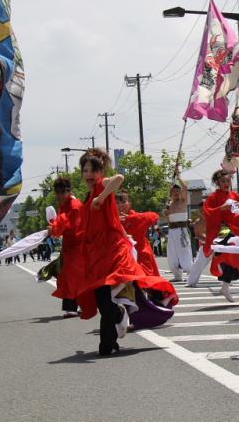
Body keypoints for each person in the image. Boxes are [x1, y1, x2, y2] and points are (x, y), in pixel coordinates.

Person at [72, 148, 178, 356]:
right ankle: (115, 328)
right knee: (103, 301)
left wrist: (102, 197)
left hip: (113, 252)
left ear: (101, 172)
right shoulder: (88, 196)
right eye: (84, 171)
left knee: (106, 297)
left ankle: (107, 342)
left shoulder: (102, 186)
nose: (88, 175)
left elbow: (119, 178)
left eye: (92, 170)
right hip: (96, 254)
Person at [189, 170, 239, 300]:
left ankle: (225, 286)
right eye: (223, 181)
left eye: (228, 181)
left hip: (237, 231)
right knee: (229, 256)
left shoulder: (235, 196)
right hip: (221, 231)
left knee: (237, 260)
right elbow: (207, 212)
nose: (226, 183)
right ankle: (217, 262)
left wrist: (238, 205)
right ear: (218, 183)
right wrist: (221, 209)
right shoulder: (213, 197)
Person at [46, 177, 84, 318]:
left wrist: (54, 227)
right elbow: (62, 223)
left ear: (70, 190)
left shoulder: (75, 205)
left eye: (64, 191)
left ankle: (72, 307)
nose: (61, 195)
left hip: (79, 246)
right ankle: (80, 304)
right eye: (58, 192)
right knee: (72, 277)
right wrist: (54, 226)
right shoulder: (65, 204)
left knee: (71, 276)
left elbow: (66, 223)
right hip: (70, 246)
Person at [164, 179, 192, 282]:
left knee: (184, 251)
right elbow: (167, 219)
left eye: (177, 191)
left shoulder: (183, 201)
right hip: (171, 231)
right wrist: (166, 214)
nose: (175, 193)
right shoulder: (169, 204)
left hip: (181, 231)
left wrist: (179, 176)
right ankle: (177, 275)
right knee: (172, 253)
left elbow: (185, 187)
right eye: (173, 191)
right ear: (171, 194)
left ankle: (190, 274)